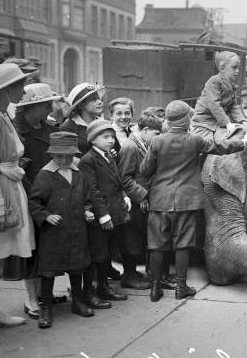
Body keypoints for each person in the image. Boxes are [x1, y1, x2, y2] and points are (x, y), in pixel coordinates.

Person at [139, 100, 245, 301]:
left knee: (156, 245)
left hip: (160, 200)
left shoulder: (157, 142)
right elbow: (220, 147)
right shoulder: (194, 140)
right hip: (187, 201)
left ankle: (155, 289)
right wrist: (244, 141)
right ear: (186, 119)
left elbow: (144, 171)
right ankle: (180, 287)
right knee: (182, 245)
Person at [27, 132, 96, 328]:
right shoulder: (45, 175)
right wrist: (46, 216)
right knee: (48, 271)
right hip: (54, 234)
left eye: (68, 156)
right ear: (52, 155)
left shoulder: (79, 174)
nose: (64, 160)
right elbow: (34, 202)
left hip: (77, 230)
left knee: (77, 268)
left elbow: (87, 199)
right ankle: (46, 308)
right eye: (59, 156)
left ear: (74, 154)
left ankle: (78, 302)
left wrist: (87, 211)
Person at [12, 83, 65, 319]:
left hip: (49, 193)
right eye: (46, 106)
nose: (49, 110)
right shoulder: (17, 132)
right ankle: (31, 299)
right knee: (31, 250)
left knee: (47, 247)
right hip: (28, 195)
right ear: (32, 107)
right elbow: (17, 168)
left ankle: (45, 294)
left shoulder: (48, 127)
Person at [0, 62, 36, 327]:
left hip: (10, 186)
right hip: (1, 192)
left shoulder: (2, 115)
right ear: (6, 89)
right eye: (20, 85)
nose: (23, 89)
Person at [79, 120, 131, 309]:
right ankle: (92, 290)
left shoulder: (109, 156)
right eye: (105, 137)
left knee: (108, 252)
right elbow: (92, 190)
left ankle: (103, 286)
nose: (111, 140)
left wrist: (124, 197)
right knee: (98, 253)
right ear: (93, 140)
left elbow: (116, 182)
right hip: (103, 215)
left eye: (112, 136)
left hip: (115, 211)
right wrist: (102, 215)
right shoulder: (88, 160)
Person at [116, 113, 164, 290]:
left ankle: (134, 273)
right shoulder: (130, 148)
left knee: (138, 238)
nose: (158, 138)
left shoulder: (142, 144)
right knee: (131, 240)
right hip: (133, 203)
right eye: (157, 134)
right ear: (145, 130)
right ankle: (129, 275)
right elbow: (124, 178)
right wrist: (142, 195)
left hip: (141, 202)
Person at [190, 51, 247, 147]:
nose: (237, 71)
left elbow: (233, 105)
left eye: (238, 68)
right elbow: (214, 104)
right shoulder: (214, 81)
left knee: (240, 132)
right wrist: (227, 123)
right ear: (222, 68)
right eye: (234, 68)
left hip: (218, 123)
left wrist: (242, 120)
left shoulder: (231, 85)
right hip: (204, 123)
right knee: (205, 145)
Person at [60, 83, 106, 158]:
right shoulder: (67, 128)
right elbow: (64, 157)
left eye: (98, 98)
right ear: (81, 105)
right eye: (94, 100)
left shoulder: (104, 124)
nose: (99, 102)